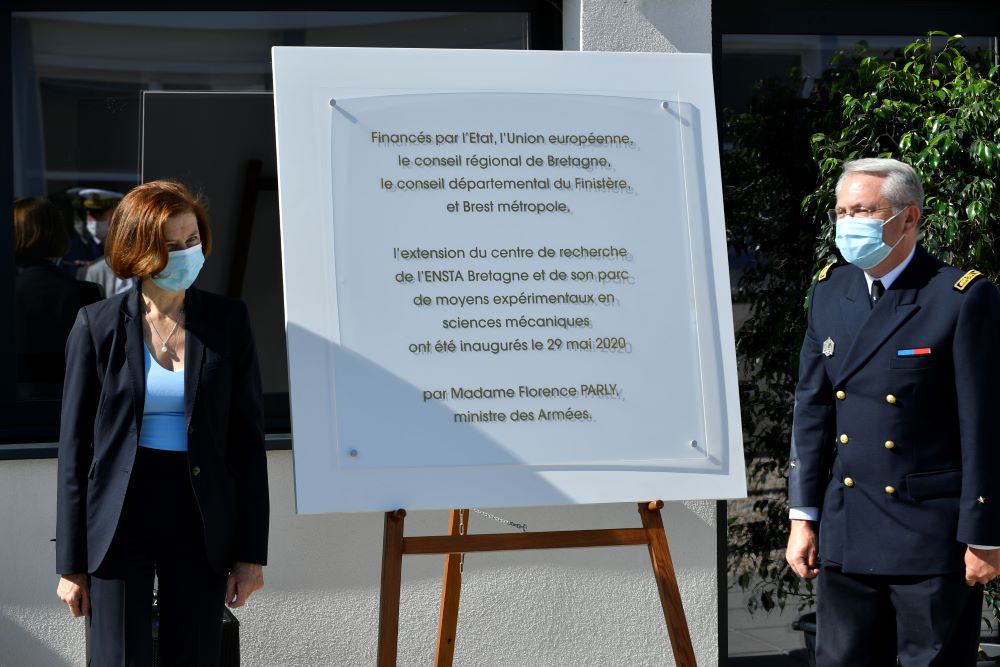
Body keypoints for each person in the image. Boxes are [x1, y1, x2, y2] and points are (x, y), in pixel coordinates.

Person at [785, 158, 1000, 666]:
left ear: (908, 219)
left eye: (862, 210)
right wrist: (803, 516)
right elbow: (812, 409)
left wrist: (985, 534)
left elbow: (984, 425)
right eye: (841, 211)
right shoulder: (831, 289)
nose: (847, 223)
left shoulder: (959, 297)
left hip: (930, 537)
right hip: (848, 529)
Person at [55, 180, 269, 665]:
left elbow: (248, 443)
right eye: (170, 246)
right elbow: (75, 454)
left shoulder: (228, 321)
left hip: (201, 511)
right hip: (120, 512)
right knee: (117, 656)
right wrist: (71, 564)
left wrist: (251, 554)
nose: (185, 253)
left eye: (191, 240)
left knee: (194, 654)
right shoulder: (97, 325)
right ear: (138, 250)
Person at [14, 197, 102, 399]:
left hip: (14, 412)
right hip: (71, 410)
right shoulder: (85, 294)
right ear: (59, 235)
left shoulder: (12, 293)